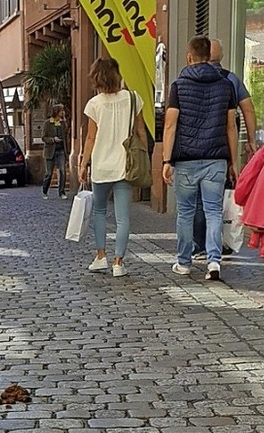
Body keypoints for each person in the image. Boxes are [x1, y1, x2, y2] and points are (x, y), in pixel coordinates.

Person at [162, 35, 238, 282]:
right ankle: (214, 262)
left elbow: (171, 125)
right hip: (216, 159)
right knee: (213, 211)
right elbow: (230, 128)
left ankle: (184, 262)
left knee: (185, 212)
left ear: (189, 56)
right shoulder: (226, 85)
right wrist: (233, 161)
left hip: (186, 159)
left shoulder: (179, 86)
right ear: (210, 56)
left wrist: (166, 160)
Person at [78, 58, 148, 278]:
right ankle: (119, 262)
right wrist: (144, 156)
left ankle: (101, 257)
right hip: (125, 165)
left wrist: (83, 163)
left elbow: (91, 137)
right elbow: (140, 132)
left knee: (99, 212)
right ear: (117, 74)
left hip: (101, 165)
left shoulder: (94, 104)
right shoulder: (134, 98)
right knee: (122, 217)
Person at [193, 38, 258, 255]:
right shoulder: (231, 79)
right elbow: (248, 109)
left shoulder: (187, 77)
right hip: (221, 147)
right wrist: (251, 139)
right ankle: (215, 246)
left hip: (193, 148)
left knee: (197, 202)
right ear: (220, 57)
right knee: (215, 200)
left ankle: (200, 244)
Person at [42, 104, 69, 199]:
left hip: (61, 150)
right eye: (61, 111)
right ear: (56, 112)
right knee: (48, 173)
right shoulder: (47, 123)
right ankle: (44, 191)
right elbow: (44, 137)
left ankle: (61, 192)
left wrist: (67, 151)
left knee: (62, 171)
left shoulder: (63, 123)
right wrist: (53, 139)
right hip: (50, 151)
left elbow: (66, 137)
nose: (63, 112)